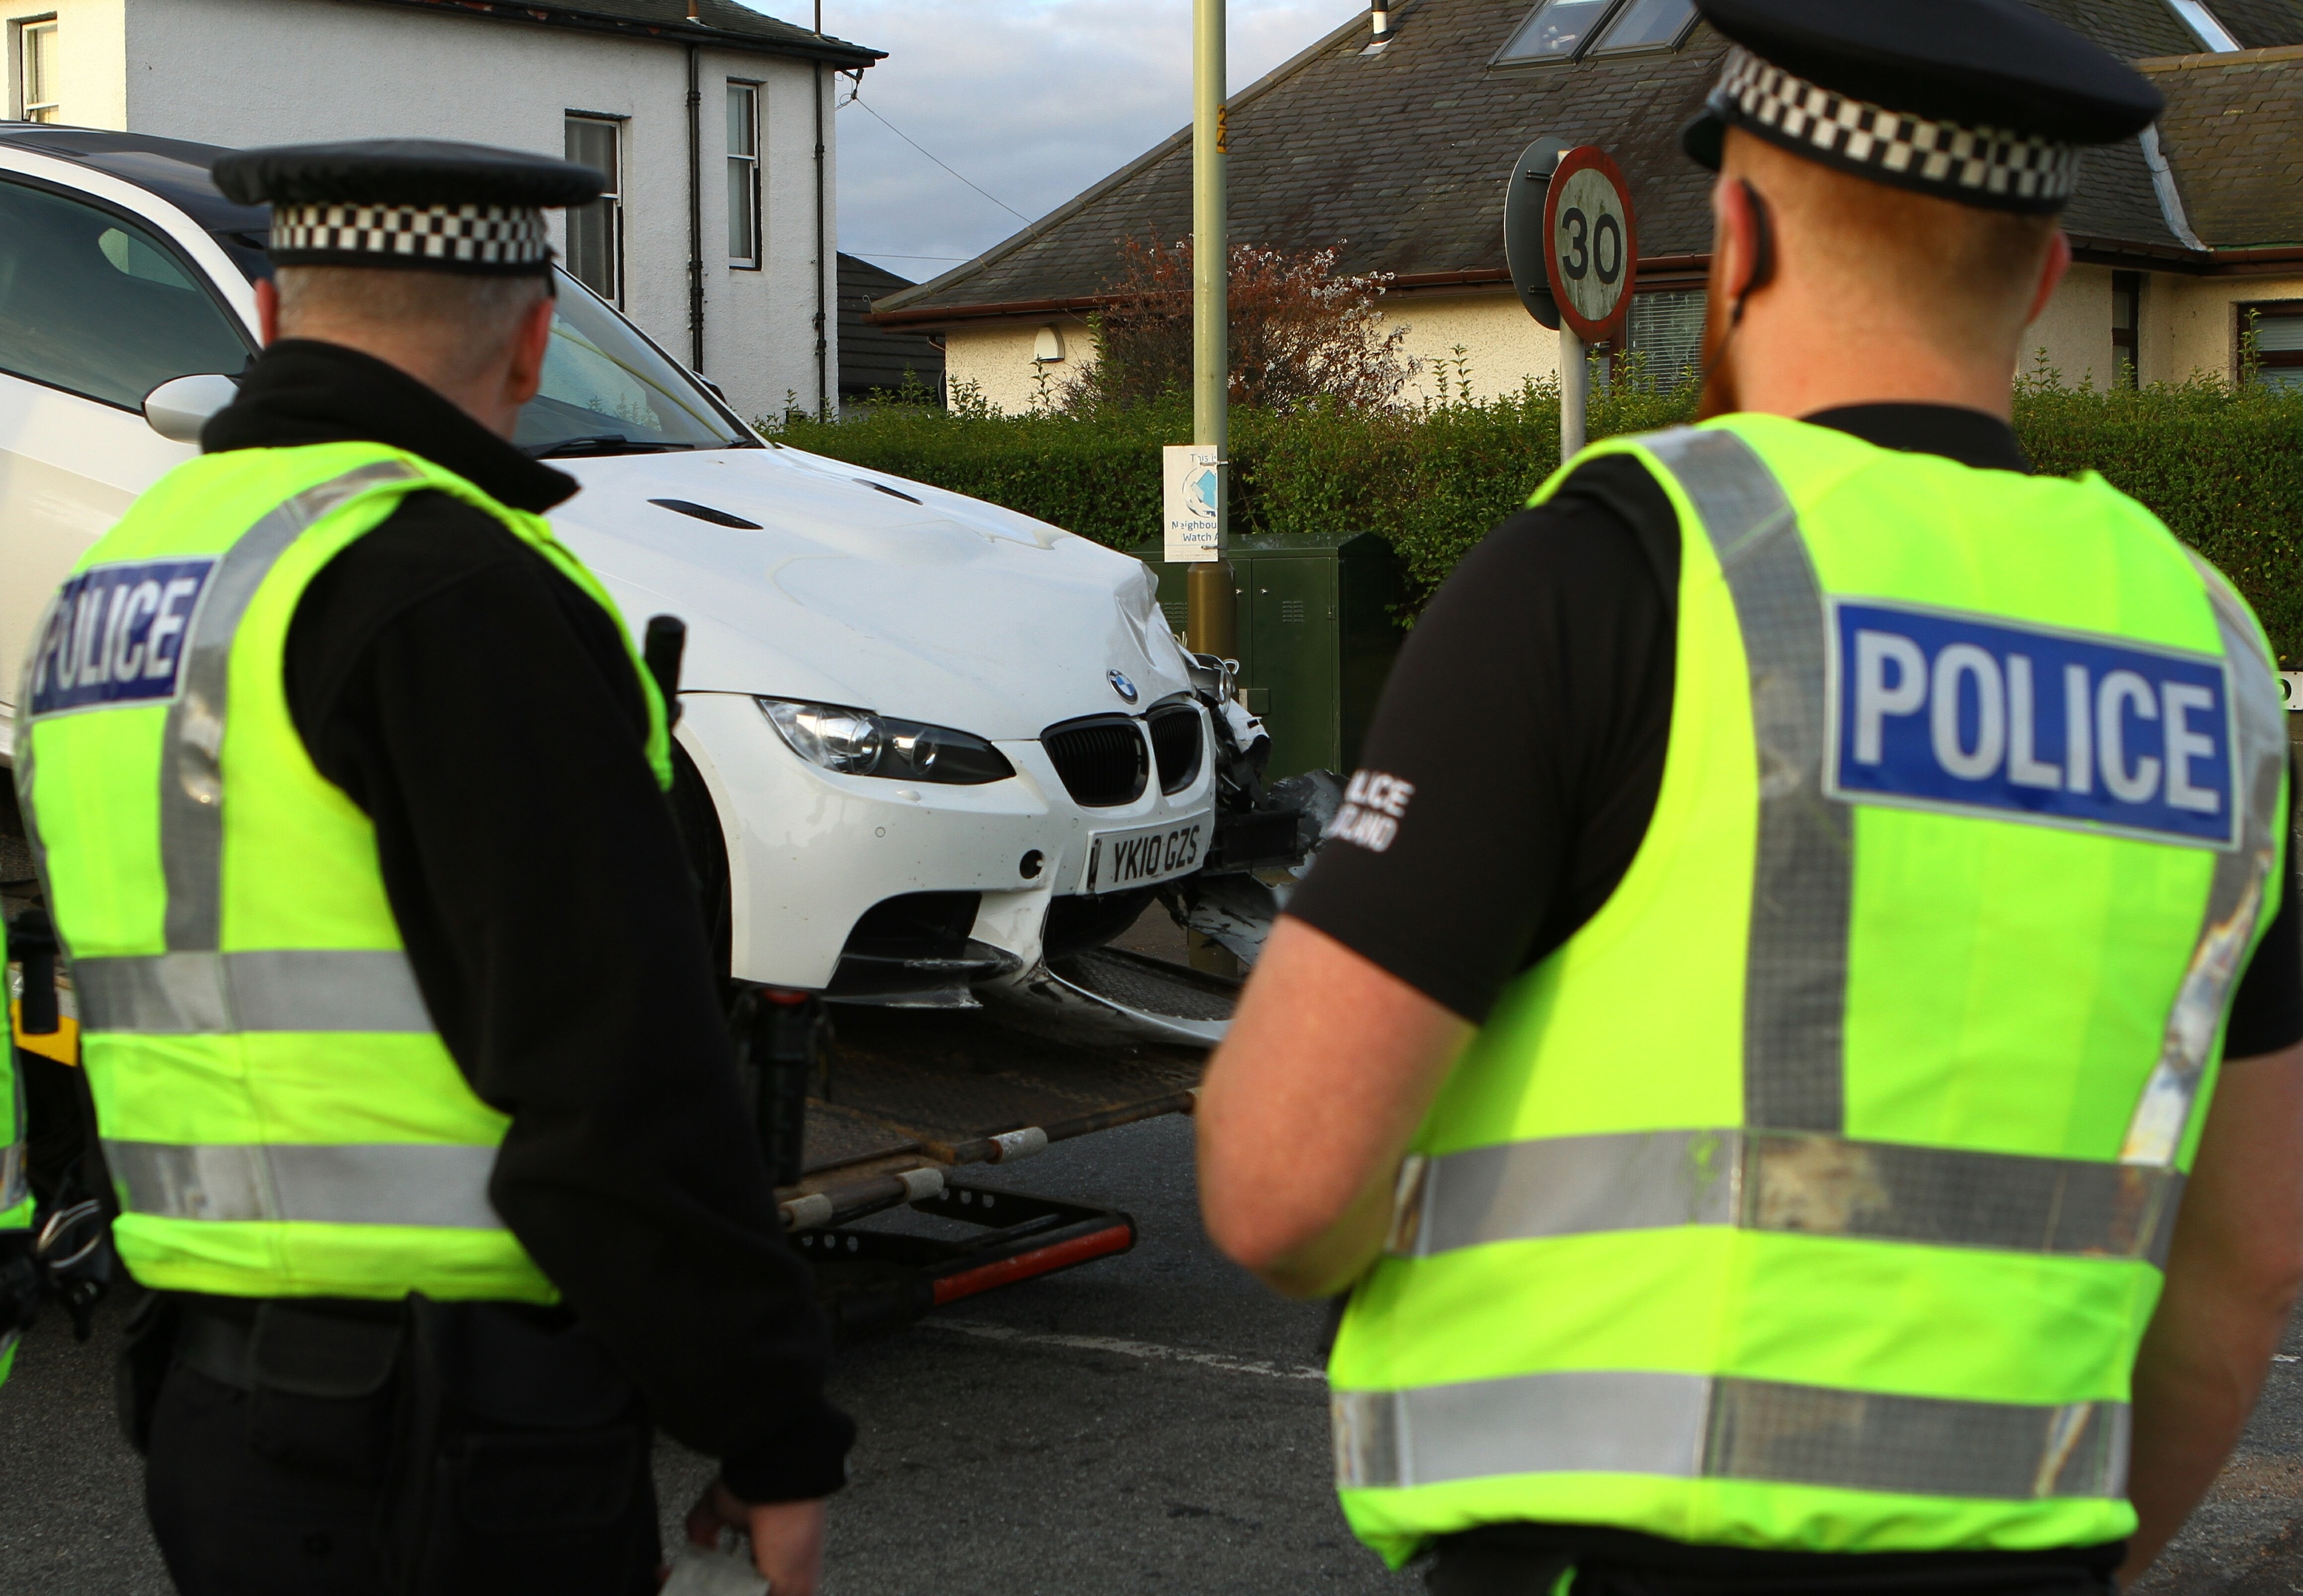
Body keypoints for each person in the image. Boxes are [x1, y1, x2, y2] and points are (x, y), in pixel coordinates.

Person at [1197, 1, 2303, 1592]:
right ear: (2046, 274)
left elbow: (1281, 1189)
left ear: (1737, 237)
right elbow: (2248, 1266)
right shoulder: (2200, 643)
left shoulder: (1612, 573)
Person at [10, 140, 850, 1595]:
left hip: (214, 1406)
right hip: (448, 1441)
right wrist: (767, 1422)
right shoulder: (443, 582)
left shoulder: (126, 575)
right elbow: (612, 1061)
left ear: (269, 323)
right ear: (533, 342)